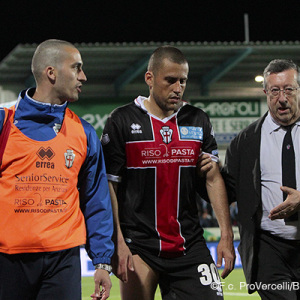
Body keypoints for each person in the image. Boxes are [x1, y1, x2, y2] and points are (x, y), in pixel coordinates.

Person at [101, 45, 235, 300]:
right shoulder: (121, 120)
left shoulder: (198, 119)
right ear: (149, 78)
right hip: (139, 245)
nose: (178, 88)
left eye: (183, 81)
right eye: (170, 80)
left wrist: (226, 236)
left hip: (189, 244)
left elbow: (212, 177)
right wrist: (117, 241)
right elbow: (110, 186)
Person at [0, 39, 114, 300]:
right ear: (51, 73)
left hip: (63, 259)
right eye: (76, 68)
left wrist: (102, 262)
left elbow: (96, 200)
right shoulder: (4, 122)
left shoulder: (84, 133)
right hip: (8, 259)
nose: (83, 76)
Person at [208, 59, 300, 299]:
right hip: (269, 250)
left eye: (289, 89)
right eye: (275, 90)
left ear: (298, 89)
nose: (282, 98)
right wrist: (208, 173)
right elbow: (228, 191)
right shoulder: (246, 140)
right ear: (265, 92)